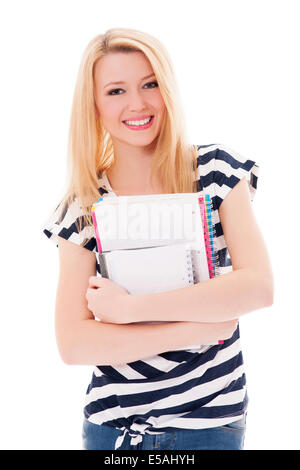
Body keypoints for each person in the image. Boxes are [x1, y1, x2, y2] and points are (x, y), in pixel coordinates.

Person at [42, 27, 274, 451]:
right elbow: (74, 344)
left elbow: (257, 288)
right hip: (116, 431)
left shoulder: (215, 173)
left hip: (210, 428)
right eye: (116, 91)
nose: (138, 104)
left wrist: (131, 310)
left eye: (150, 84)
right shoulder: (83, 205)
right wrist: (196, 325)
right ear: (94, 105)